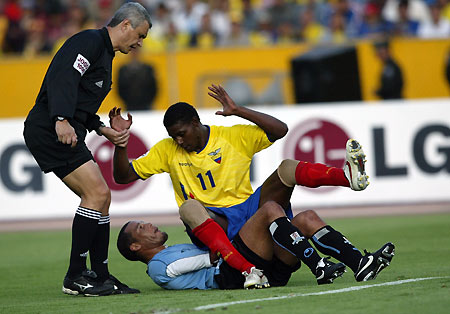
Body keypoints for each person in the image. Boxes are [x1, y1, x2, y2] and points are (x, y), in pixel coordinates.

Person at [111, 84, 392, 287]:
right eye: (174, 137)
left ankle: (347, 181)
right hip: (215, 226)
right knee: (189, 207)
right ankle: (253, 264)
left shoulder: (231, 136)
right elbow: (123, 177)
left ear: (196, 124)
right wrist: (121, 144)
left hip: (248, 215)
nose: (179, 142)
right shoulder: (166, 150)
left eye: (182, 134)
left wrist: (237, 110)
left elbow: (280, 130)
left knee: (287, 169)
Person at [23, 2, 152, 297]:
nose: (140, 43)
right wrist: (60, 119)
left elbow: (80, 98)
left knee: (101, 199)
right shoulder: (89, 42)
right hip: (49, 129)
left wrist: (100, 127)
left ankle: (100, 275)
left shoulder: (104, 54)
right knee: (97, 194)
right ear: (125, 26)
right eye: (140, 36)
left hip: (65, 129)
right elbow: (63, 79)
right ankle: (75, 276)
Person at [116, 200, 395, 290]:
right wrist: (218, 245)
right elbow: (207, 259)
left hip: (255, 269)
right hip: (232, 271)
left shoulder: (168, 252)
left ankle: (359, 263)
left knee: (305, 218)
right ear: (135, 248)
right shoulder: (157, 266)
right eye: (141, 228)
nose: (149, 225)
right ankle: (318, 264)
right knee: (271, 208)